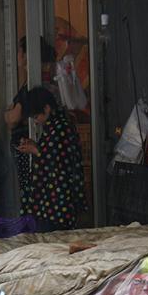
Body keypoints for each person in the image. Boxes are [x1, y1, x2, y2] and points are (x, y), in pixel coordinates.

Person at [16, 87, 88, 231]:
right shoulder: (54, 126)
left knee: (54, 236)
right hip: (51, 202)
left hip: (58, 201)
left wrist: (36, 150)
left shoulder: (61, 127)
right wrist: (36, 146)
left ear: (47, 108)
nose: (36, 121)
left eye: (36, 116)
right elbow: (52, 151)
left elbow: (60, 162)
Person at [4, 36, 58, 211]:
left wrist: (8, 114)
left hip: (27, 148)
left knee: (30, 191)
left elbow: (14, 118)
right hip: (26, 147)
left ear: (28, 54)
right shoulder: (29, 81)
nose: (17, 56)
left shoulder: (33, 83)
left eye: (20, 51)